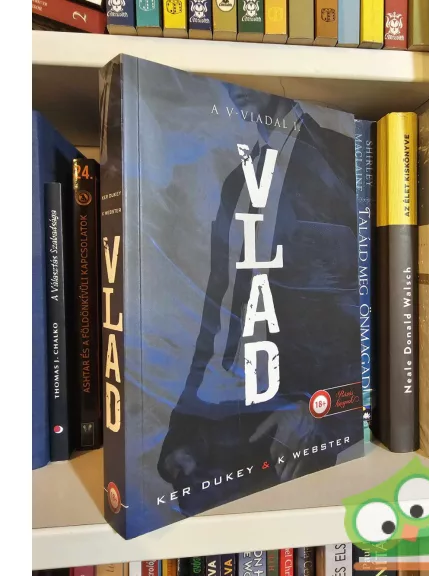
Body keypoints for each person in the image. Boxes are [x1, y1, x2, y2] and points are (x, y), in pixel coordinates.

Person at [156, 84, 362, 516]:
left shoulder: (344, 160)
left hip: (305, 416)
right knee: (192, 511)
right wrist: (186, 428)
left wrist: (321, 413)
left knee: (290, 520)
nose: (233, 90)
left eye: (242, 81)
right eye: (226, 82)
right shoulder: (238, 181)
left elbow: (366, 310)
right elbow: (217, 310)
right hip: (234, 408)